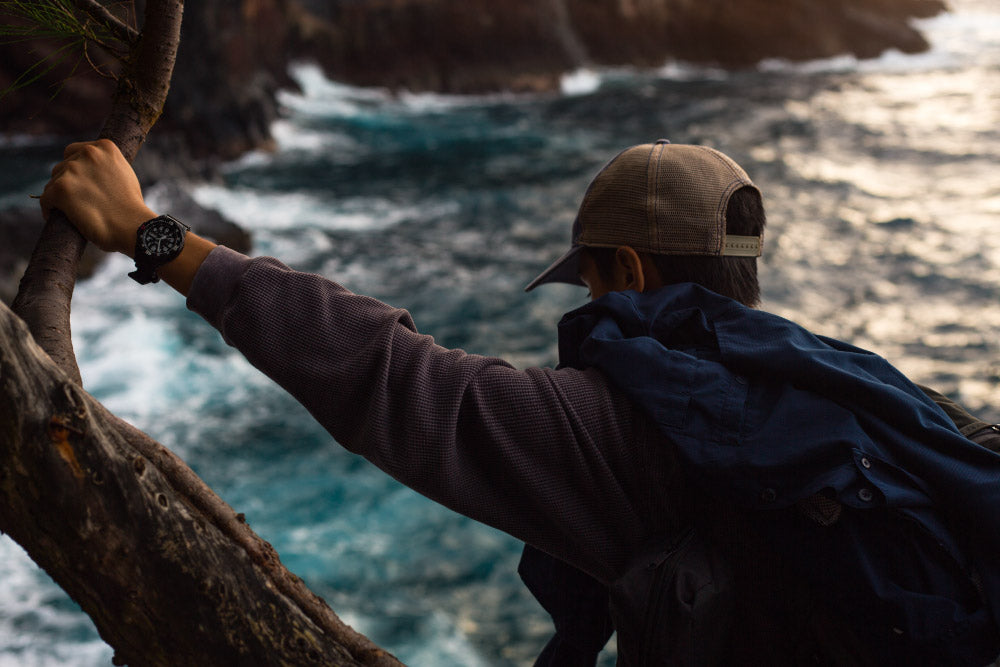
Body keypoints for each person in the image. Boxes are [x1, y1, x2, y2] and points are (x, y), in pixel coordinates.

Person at [41, 138, 1000, 665]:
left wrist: (149, 235)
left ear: (623, 270)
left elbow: (386, 374)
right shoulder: (851, 385)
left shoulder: (627, 422)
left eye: (588, 280)